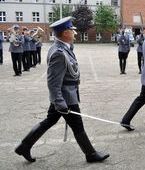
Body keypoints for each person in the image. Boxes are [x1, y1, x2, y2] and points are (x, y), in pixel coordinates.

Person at [15, 17, 109, 163]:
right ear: (65, 33)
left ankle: (24, 146)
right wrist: (59, 102)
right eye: (72, 31)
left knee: (50, 121)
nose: (75, 34)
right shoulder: (59, 52)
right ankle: (90, 154)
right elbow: (53, 82)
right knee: (77, 124)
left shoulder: (63, 47)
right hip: (65, 98)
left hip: (64, 96)